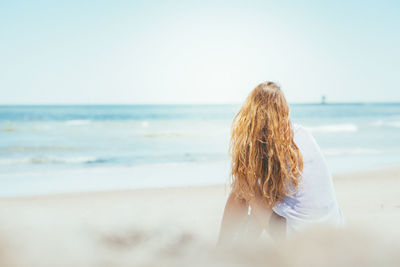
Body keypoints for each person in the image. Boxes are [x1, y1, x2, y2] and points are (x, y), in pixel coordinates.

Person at [217, 81, 344, 245]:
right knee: (260, 191)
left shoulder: (269, 148)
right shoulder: (303, 134)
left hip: (302, 241)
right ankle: (243, 248)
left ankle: (222, 249)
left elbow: (251, 198)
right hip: (335, 232)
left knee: (244, 186)